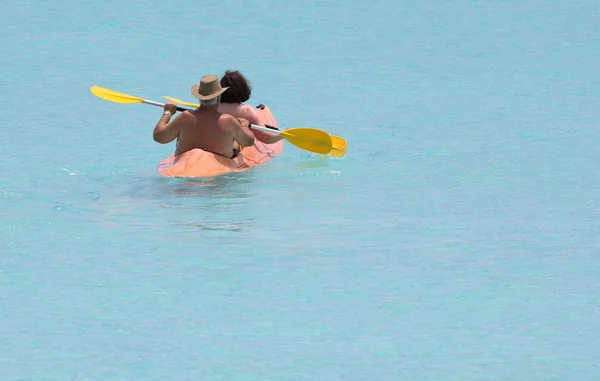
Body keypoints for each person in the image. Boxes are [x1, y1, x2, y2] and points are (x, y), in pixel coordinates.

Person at [153, 75, 255, 158]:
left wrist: (167, 113)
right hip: (220, 163)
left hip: (186, 161)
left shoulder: (185, 117)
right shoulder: (228, 120)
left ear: (199, 98)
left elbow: (159, 137)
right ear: (219, 98)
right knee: (236, 142)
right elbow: (248, 141)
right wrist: (245, 127)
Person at [218, 70, 284, 144]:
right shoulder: (247, 111)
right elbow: (266, 138)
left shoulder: (211, 107)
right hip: (233, 148)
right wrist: (282, 135)